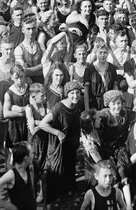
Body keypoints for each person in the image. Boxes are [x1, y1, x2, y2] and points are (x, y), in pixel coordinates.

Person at [39, 80, 83, 208]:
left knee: (68, 178)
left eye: (78, 93)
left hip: (71, 147)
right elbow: (42, 124)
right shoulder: (59, 107)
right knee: (55, 178)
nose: (75, 96)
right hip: (58, 149)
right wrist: (57, 132)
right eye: (72, 93)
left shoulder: (78, 105)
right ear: (66, 94)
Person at [0, 141, 36, 210]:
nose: (34, 155)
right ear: (26, 158)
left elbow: (31, 190)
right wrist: (5, 204)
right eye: (32, 153)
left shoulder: (30, 168)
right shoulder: (11, 175)